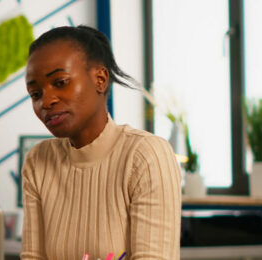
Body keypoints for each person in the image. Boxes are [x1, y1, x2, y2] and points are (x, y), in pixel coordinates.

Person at [21, 25, 181, 259]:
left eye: (60, 82)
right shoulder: (38, 161)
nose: (46, 101)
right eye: (35, 94)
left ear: (100, 79)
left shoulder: (146, 155)